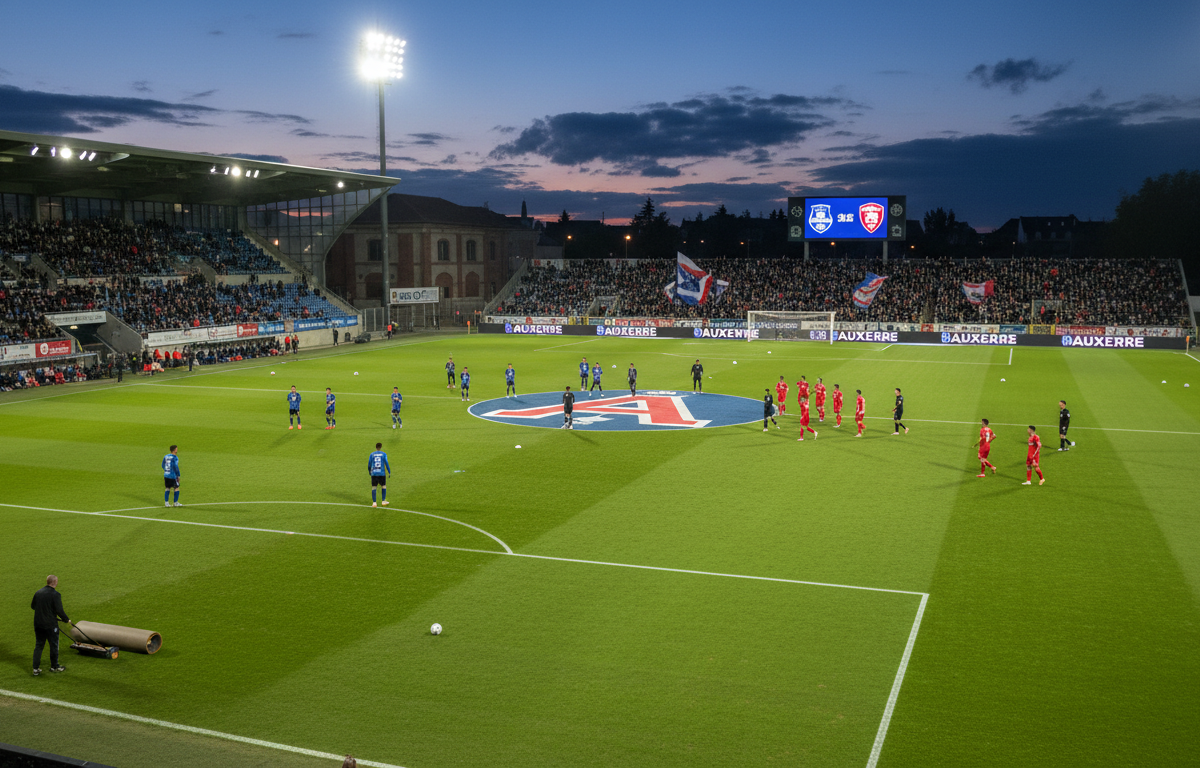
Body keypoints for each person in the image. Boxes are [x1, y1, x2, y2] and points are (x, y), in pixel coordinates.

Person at [31, 574, 70, 677]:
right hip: (50, 625)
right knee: (54, 645)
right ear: (55, 582)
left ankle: (35, 669)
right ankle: (55, 666)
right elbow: (59, 610)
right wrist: (66, 619)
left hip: (38, 623)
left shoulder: (38, 592)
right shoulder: (55, 594)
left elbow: (33, 606)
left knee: (39, 645)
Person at [368, 442, 391, 507]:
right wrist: (389, 471)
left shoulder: (372, 454)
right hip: (381, 473)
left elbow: (369, 464)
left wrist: (369, 471)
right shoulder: (384, 454)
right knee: (383, 486)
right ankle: (383, 501)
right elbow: (386, 463)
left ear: (376, 447)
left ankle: (374, 503)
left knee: (374, 487)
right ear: (380, 447)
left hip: (374, 473)